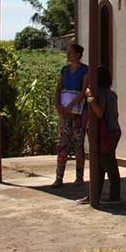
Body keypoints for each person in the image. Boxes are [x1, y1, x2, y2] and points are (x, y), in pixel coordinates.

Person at [79, 65, 121, 205]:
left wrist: (89, 97)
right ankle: (94, 194)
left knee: (107, 164)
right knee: (101, 165)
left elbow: (99, 112)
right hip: (113, 131)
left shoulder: (101, 94)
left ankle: (113, 196)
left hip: (106, 133)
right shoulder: (112, 94)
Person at [52, 43, 89, 187]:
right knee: (63, 144)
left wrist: (71, 105)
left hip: (78, 112)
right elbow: (58, 88)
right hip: (65, 112)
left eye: (70, 52)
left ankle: (79, 177)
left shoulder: (85, 70)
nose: (68, 55)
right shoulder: (65, 70)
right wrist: (58, 106)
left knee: (78, 144)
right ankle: (59, 177)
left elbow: (83, 90)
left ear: (78, 54)